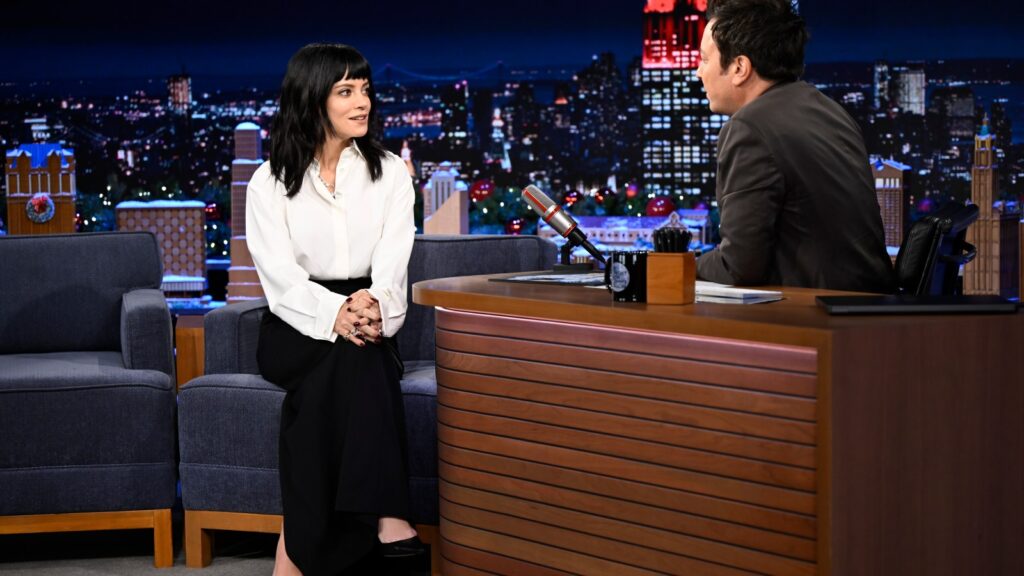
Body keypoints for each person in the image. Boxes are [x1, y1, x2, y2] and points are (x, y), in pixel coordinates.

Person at [245, 43, 421, 575]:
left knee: (353, 358)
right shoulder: (268, 182)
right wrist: (335, 313)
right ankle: (389, 519)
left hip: (369, 310)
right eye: (346, 91)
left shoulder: (391, 173)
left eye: (365, 89)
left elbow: (394, 263)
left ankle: (295, 552)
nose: (362, 102)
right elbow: (279, 280)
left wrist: (374, 304)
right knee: (356, 356)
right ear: (312, 99)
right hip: (294, 321)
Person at [694, 0, 894, 292]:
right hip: (862, 304)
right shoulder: (830, 111)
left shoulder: (750, 127)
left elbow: (738, 266)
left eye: (704, 60)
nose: (698, 72)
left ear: (739, 67)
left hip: (812, 311)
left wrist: (673, 265)